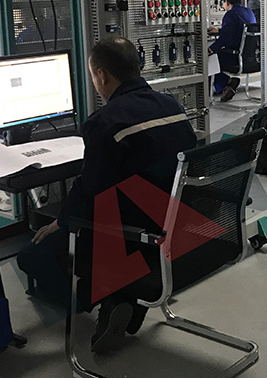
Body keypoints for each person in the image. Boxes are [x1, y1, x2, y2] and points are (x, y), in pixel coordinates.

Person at [17, 36, 197, 353]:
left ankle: (114, 296)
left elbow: (91, 189)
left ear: (101, 75)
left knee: (32, 255)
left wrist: (62, 221)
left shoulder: (104, 122)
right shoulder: (173, 106)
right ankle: (123, 296)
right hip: (182, 228)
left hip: (135, 234)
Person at [207, 0, 256, 102]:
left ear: (227, 2)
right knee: (216, 55)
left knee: (210, 58)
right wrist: (220, 31)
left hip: (236, 58)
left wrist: (210, 49)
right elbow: (238, 31)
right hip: (251, 58)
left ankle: (226, 83)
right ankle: (226, 84)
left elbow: (225, 39)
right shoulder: (249, 12)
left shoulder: (230, 14)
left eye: (223, 3)